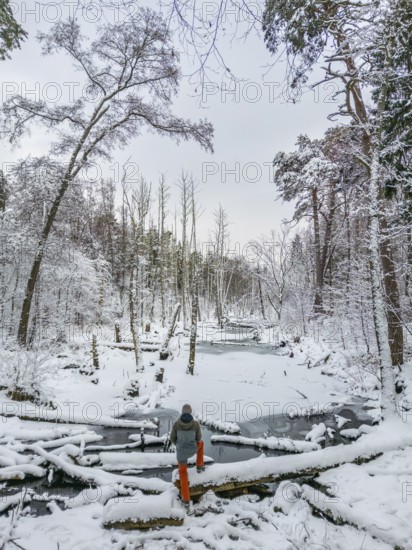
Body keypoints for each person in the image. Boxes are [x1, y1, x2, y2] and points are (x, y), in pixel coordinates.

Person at [170, 404, 204, 507]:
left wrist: (179, 446)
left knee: (183, 474)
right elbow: (198, 439)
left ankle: (186, 500)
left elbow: (172, 439)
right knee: (202, 443)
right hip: (192, 450)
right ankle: (199, 466)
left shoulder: (176, 424)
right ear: (190, 412)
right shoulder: (196, 424)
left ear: (182, 412)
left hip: (181, 454)